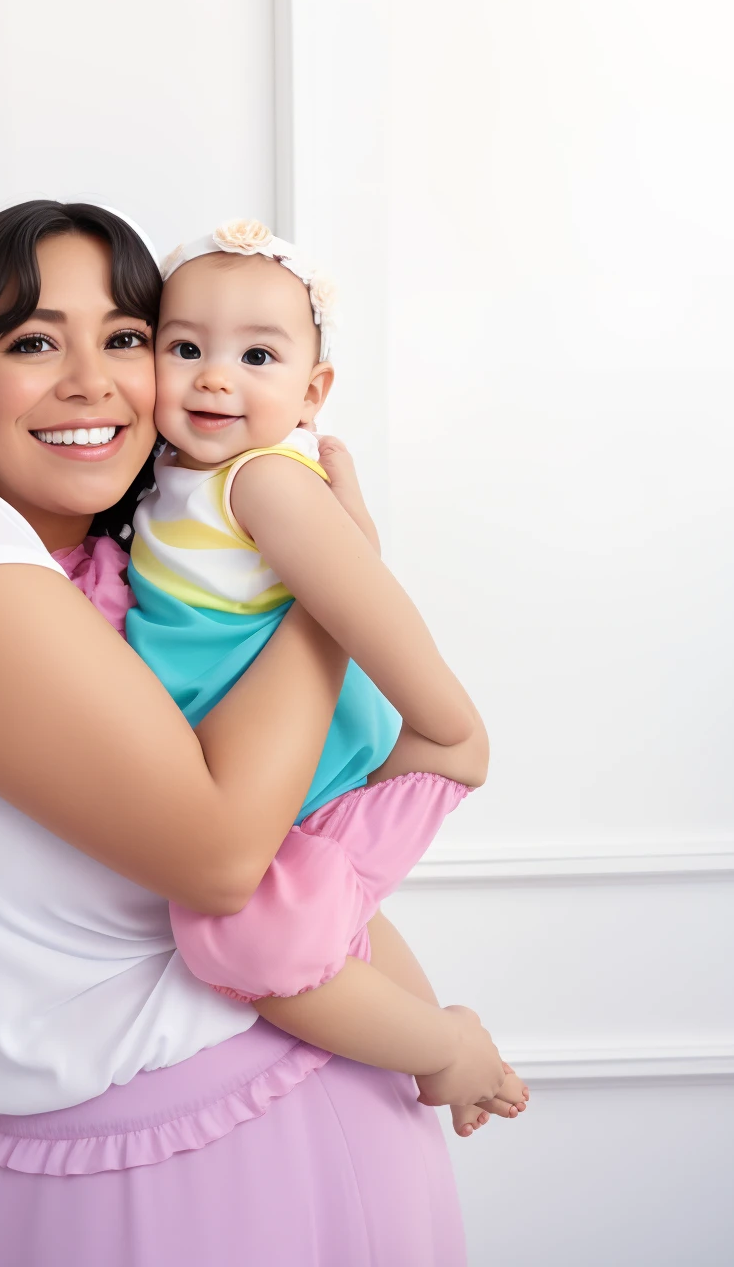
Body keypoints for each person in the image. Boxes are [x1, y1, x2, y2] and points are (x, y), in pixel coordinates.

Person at [0, 199, 513, 1266]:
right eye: (34, 338)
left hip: (268, 1124)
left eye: (128, 338)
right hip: (137, 1150)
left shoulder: (129, 576)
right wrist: (327, 575)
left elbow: (286, 865)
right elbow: (224, 853)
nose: (93, 378)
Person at [121, 219, 526, 1138]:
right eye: (185, 348)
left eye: (257, 356)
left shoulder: (263, 481)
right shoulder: (169, 475)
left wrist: (448, 727)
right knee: (338, 920)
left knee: (240, 940)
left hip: (313, 768)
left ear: (313, 394)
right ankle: (445, 1045)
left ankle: (440, 1050)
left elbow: (364, 601)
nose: (215, 376)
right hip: (249, 767)